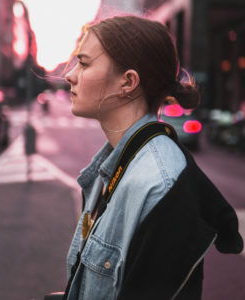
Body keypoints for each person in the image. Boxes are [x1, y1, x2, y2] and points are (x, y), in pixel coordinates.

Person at [61, 16, 243, 300]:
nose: (69, 75)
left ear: (128, 82)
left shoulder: (158, 183)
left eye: (83, 64)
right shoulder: (116, 167)